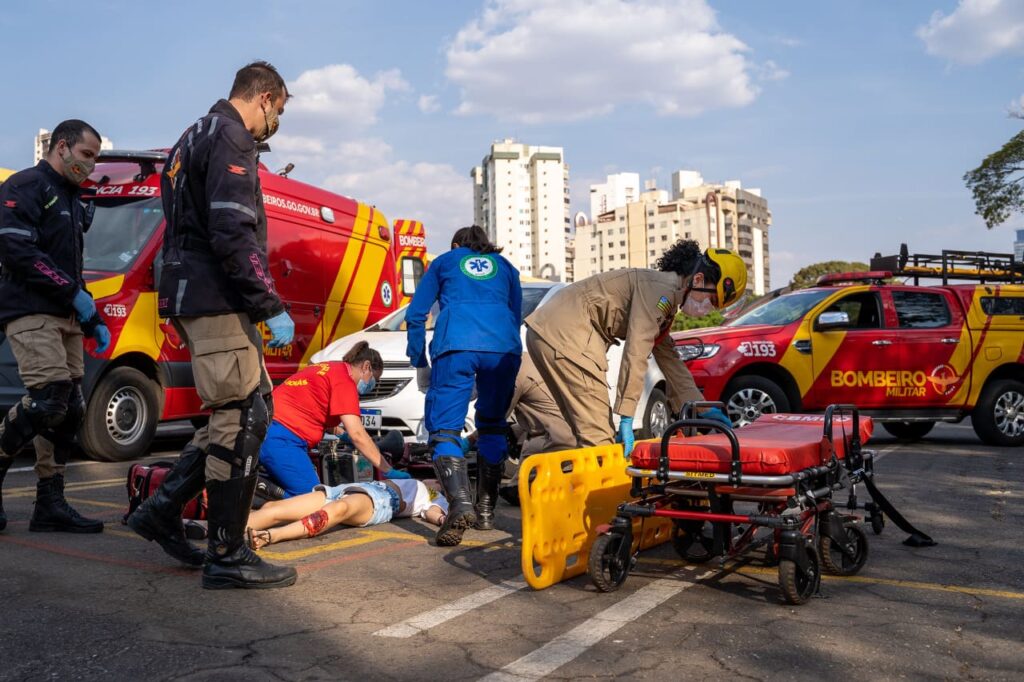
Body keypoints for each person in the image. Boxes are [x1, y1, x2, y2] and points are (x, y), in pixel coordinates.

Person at [127, 61, 298, 590]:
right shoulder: (230, 135)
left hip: (196, 292)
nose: (276, 126)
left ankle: (162, 509)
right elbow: (231, 227)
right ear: (265, 99)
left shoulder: (191, 135)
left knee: (243, 409)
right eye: (280, 113)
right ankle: (226, 553)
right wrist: (268, 304)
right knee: (242, 414)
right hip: (216, 295)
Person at [525, 241, 747, 457]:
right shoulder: (661, 293)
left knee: (574, 431)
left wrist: (701, 407)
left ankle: (542, 487)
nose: (708, 309)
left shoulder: (665, 298)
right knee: (598, 438)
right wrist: (627, 416)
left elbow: (669, 358)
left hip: (549, 332)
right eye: (712, 299)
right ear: (698, 279)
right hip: (567, 333)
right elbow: (636, 350)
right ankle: (603, 494)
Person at [0, 119, 110, 534]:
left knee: (70, 411)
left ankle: (50, 503)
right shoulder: (26, 186)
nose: (90, 165)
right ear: (61, 147)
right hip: (29, 310)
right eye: (86, 155)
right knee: (48, 399)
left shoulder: (72, 196)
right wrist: (73, 294)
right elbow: (16, 249)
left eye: (95, 158)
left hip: (65, 315)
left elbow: (70, 265)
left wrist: (92, 315)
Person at [406, 225, 521, 546]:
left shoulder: (444, 262)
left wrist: (419, 360)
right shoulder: (507, 267)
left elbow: (416, 315)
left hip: (455, 345)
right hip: (503, 348)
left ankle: (460, 504)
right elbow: (515, 314)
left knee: (445, 430)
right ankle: (485, 511)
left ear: (457, 244)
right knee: (493, 425)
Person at [259, 341, 411, 498]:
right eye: (374, 379)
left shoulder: (330, 368)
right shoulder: (345, 381)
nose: (373, 385)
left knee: (308, 495)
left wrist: (340, 433)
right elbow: (358, 434)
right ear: (366, 367)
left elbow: (311, 406)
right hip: (282, 439)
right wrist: (387, 469)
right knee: (313, 500)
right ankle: (264, 491)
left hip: (270, 430)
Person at [245, 478, 449, 550]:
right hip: (346, 489)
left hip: (380, 501)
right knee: (273, 508)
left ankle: (270, 536)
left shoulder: (438, 495)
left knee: (337, 511)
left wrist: (443, 519)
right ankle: (219, 529)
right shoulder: (417, 478)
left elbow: (433, 512)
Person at [498, 352, 574, 506]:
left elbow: (494, 416)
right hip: (573, 431)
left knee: (518, 492)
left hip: (559, 440)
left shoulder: (513, 372)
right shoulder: (531, 358)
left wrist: (470, 439)